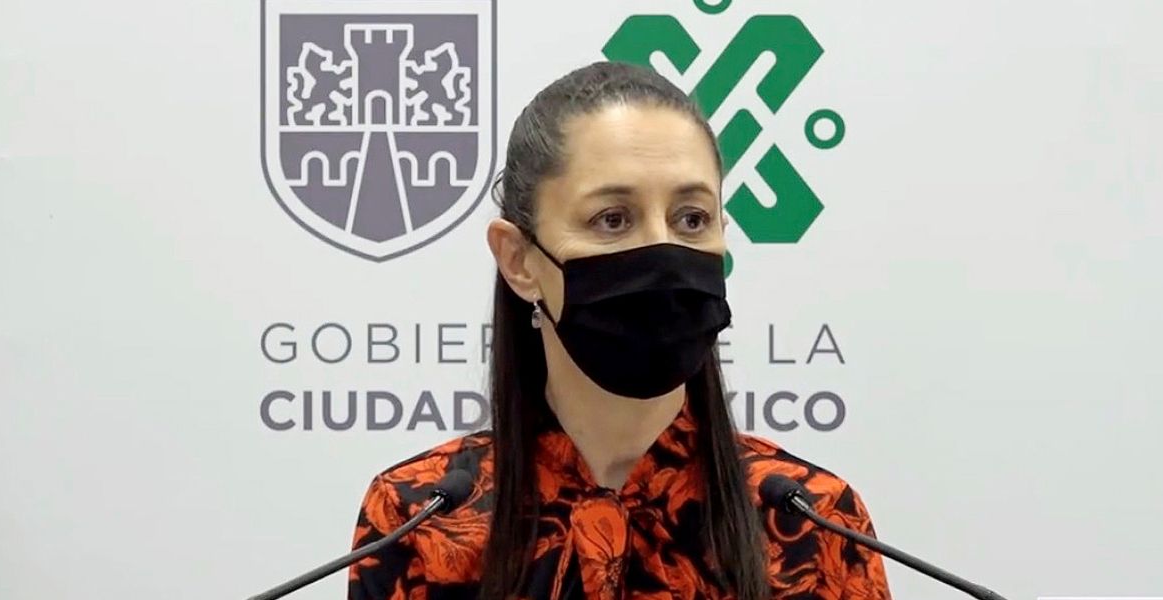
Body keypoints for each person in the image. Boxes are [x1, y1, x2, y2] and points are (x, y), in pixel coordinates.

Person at [347, 61, 891, 600]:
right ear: (518, 259)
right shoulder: (419, 520)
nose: (660, 250)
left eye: (692, 219)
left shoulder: (812, 523)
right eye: (613, 219)